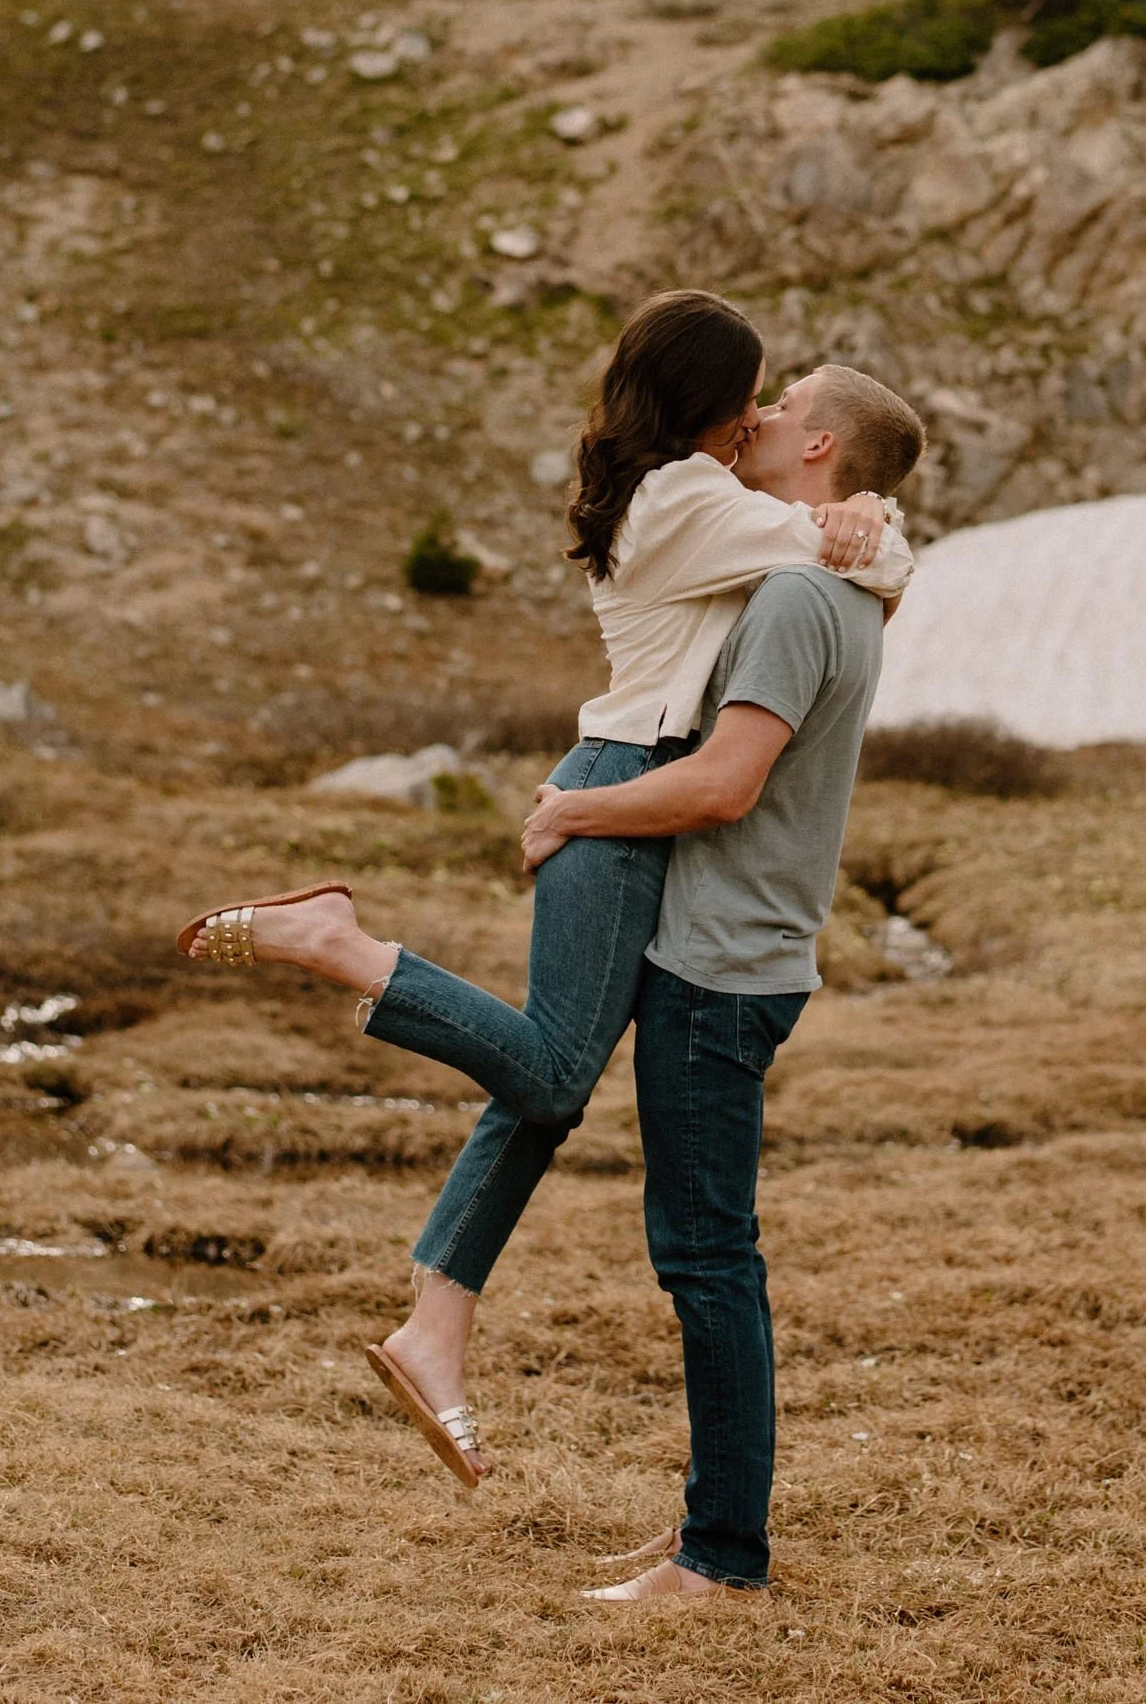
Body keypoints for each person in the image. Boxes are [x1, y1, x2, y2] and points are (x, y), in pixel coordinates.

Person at [176, 292, 913, 1488]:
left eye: (775, 402)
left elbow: (836, 552)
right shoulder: (690, 500)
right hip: (624, 788)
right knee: (557, 1069)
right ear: (706, 402)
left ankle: (435, 1329)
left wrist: (865, 511)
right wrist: (873, 521)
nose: (757, 416)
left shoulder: (690, 494)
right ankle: (339, 943)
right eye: (749, 396)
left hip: (632, 789)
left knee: (543, 1084)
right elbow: (853, 557)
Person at [518, 364, 927, 1604]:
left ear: (820, 446)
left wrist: (569, 810)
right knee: (707, 1253)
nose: (757, 418)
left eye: (782, 404)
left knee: (705, 1259)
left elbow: (722, 783)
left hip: (717, 963)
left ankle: (718, 1558)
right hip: (743, 952)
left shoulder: (798, 595)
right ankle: (711, 1531)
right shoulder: (830, 578)